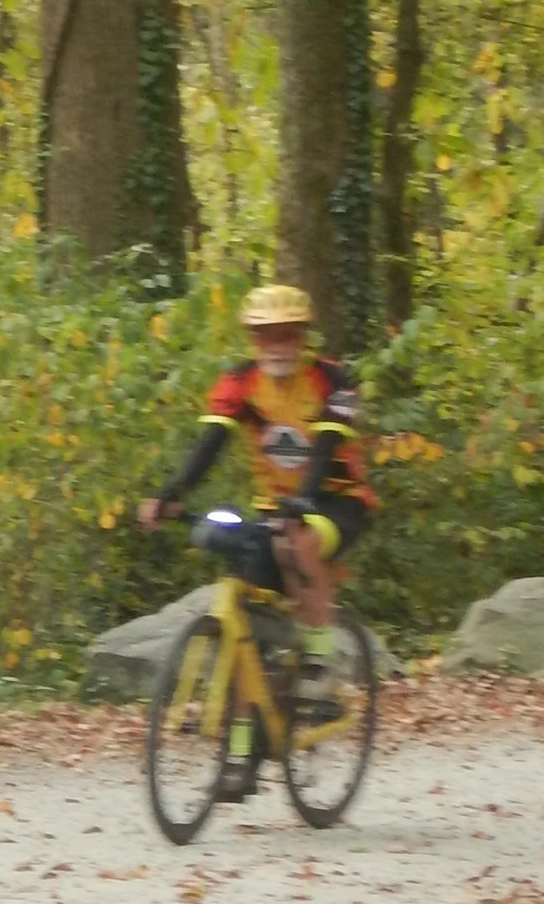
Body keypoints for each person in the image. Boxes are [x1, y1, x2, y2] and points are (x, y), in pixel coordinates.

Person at [137, 279, 375, 794]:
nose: (278, 344)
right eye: (267, 335)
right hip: (277, 506)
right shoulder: (241, 381)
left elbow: (327, 449)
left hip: (337, 499)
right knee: (244, 628)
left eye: (288, 334)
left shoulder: (334, 380)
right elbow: (212, 439)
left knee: (298, 542)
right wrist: (171, 493)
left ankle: (318, 662)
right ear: (253, 338)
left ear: (303, 336)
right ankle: (240, 757)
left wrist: (306, 500)